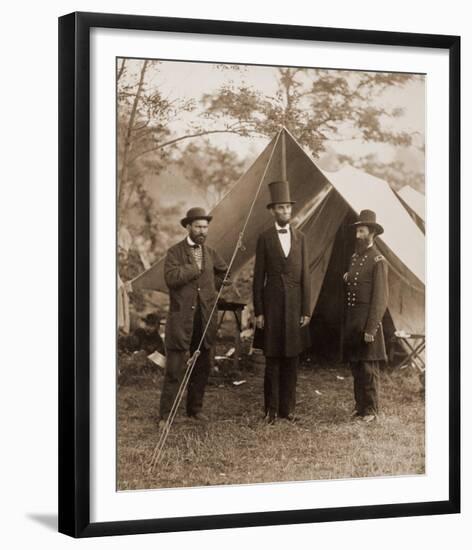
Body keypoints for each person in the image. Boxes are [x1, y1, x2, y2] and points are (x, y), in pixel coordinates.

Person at [157, 207, 229, 426]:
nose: (202, 231)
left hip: (204, 318)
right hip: (181, 320)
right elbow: (170, 278)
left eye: (205, 227)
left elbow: (223, 271)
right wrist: (193, 268)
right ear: (188, 227)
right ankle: (166, 415)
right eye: (198, 226)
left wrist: (213, 287)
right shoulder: (174, 252)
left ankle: (194, 409)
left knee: (203, 364)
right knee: (175, 367)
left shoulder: (211, 253)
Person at [253, 180, 311, 424]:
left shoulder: (301, 238)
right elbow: (258, 277)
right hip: (273, 307)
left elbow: (306, 275)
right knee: (273, 359)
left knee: (292, 360)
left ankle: (289, 410)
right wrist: (259, 311)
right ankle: (271, 410)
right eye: (280, 208)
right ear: (272, 211)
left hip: (296, 307)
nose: (285, 212)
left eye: (288, 208)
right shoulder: (264, 238)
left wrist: (306, 309)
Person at [343, 209, 389, 423]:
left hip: (367, 321)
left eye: (361, 231)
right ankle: (360, 407)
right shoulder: (354, 257)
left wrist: (371, 328)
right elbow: (355, 283)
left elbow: (380, 298)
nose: (358, 236)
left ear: (371, 233)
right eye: (357, 232)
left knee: (368, 367)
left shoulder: (378, 260)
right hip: (353, 320)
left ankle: (371, 410)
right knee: (356, 365)